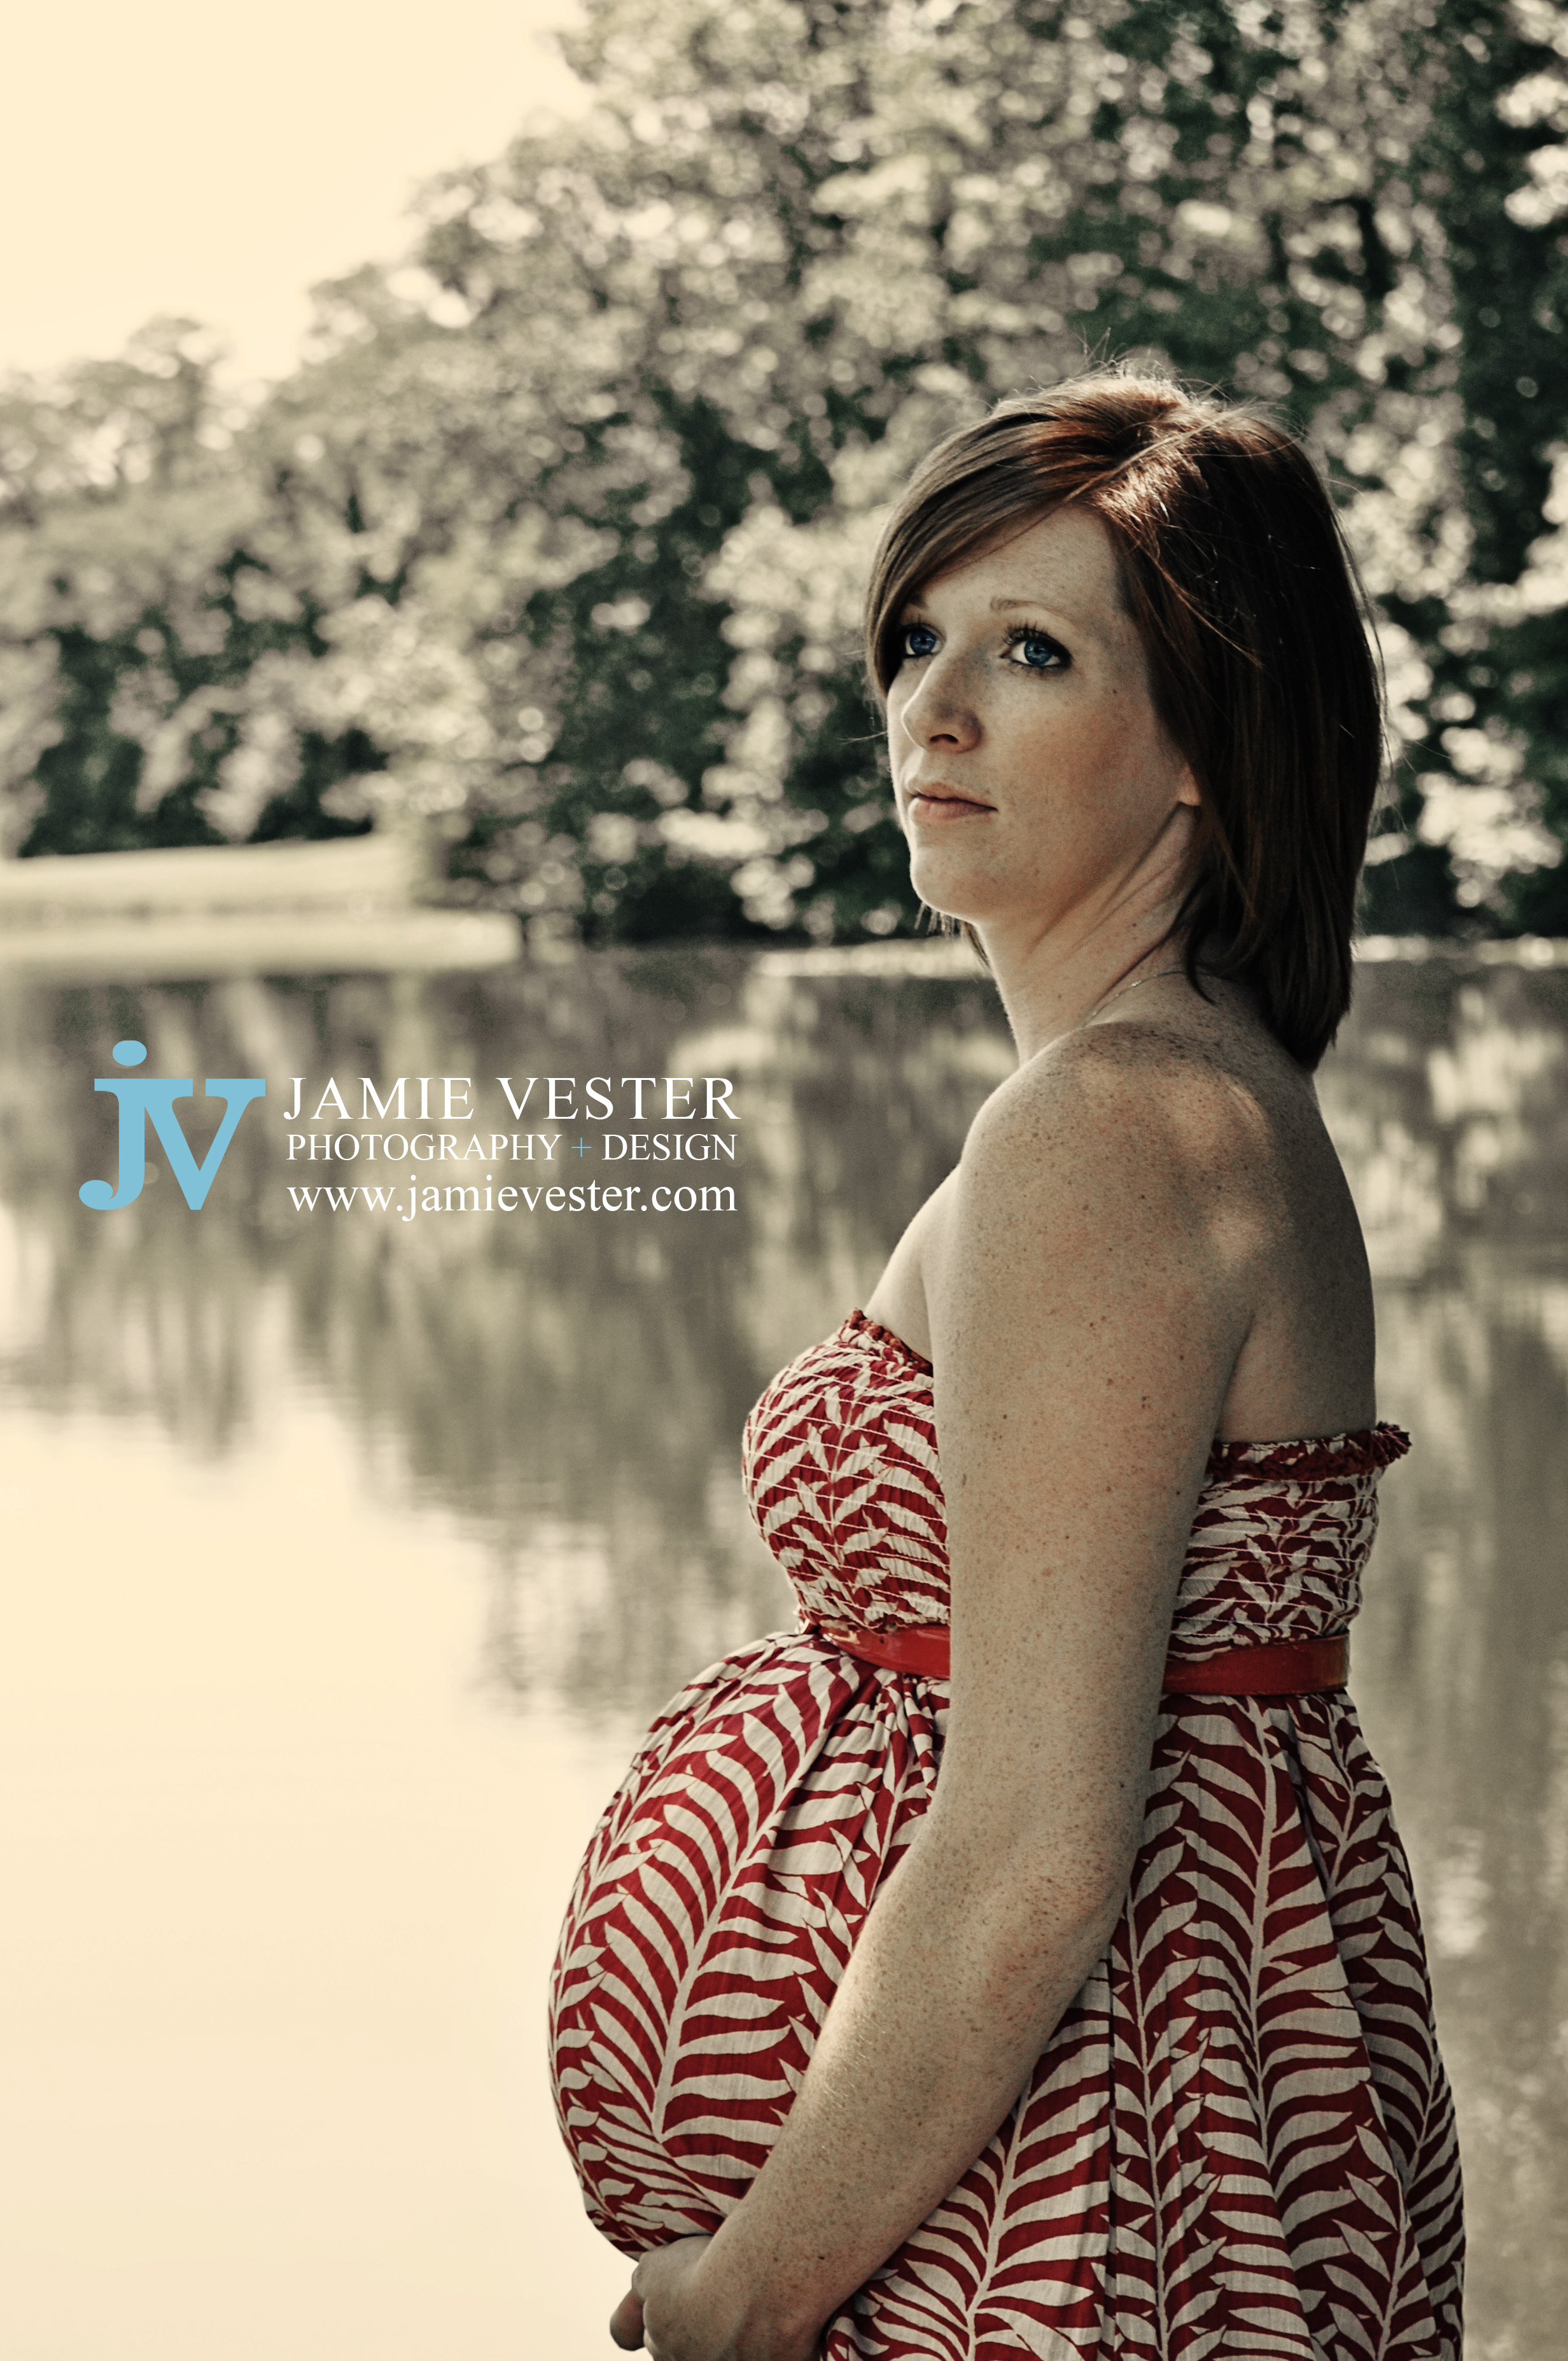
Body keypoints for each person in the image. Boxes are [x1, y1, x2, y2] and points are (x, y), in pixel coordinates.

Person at [549, 370, 1464, 2360]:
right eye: (917, 639)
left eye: (1031, 652)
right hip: (1123, 2133)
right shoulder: (1188, 1093)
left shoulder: (1109, 1130)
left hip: (1078, 2191)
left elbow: (1040, 1848)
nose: (933, 711)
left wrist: (751, 2293)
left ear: (1210, 738)